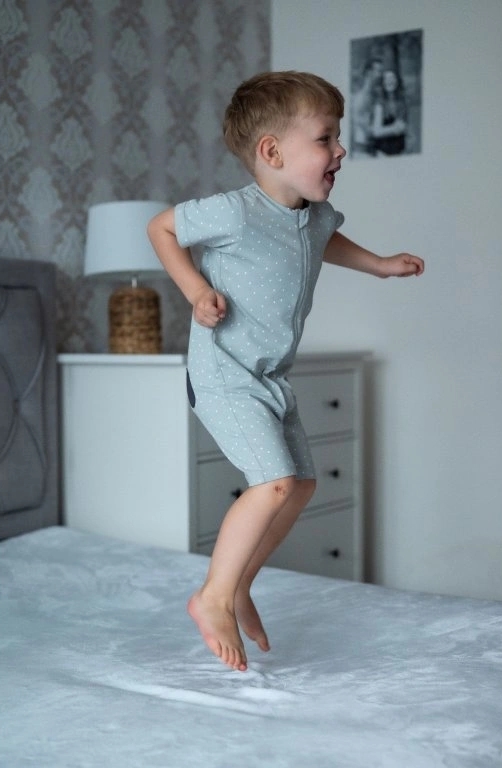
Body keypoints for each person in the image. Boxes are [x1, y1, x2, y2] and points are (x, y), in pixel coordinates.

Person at [147, 71, 424, 672]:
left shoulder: (316, 215)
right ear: (272, 152)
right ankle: (212, 597)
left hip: (271, 376)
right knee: (273, 482)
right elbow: (162, 228)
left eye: (337, 136)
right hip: (224, 372)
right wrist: (195, 290)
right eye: (326, 138)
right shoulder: (234, 212)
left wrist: (379, 265)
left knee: (300, 485)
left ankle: (239, 584)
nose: (340, 150)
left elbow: (325, 242)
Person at [370, 67, 407, 156]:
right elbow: (376, 132)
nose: (390, 81)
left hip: (400, 152)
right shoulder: (379, 104)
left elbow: (404, 127)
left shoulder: (402, 103)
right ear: (383, 83)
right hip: (383, 153)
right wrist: (394, 129)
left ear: (397, 81)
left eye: (392, 78)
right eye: (386, 78)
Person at [350, 57, 383, 156]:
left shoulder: (376, 95)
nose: (380, 75)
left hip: (373, 148)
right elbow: (356, 118)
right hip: (361, 150)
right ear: (369, 72)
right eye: (378, 71)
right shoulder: (359, 96)